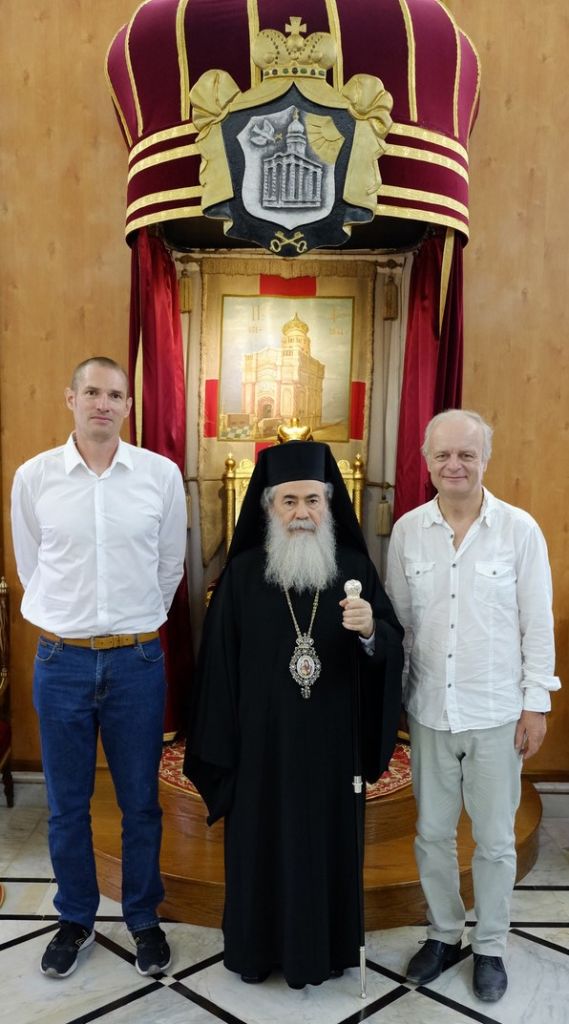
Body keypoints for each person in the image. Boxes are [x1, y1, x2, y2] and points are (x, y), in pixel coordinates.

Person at [184, 440, 403, 989]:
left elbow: (391, 645)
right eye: (289, 502)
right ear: (267, 507)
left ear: (329, 505)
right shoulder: (240, 579)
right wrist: (224, 747)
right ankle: (256, 952)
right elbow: (217, 672)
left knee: (326, 849)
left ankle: (325, 953)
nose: (302, 512)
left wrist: (372, 630)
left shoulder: (353, 569)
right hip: (262, 750)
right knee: (260, 845)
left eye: (312, 500)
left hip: (332, 749)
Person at [11, 357, 187, 979]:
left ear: (128, 407)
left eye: (116, 394)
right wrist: (76, 622)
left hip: (138, 661)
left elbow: (171, 565)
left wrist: (132, 622)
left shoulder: (160, 476)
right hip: (61, 660)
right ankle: (76, 918)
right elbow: (32, 567)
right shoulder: (34, 478)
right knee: (66, 804)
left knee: (141, 801)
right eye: (92, 392)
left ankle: (142, 917)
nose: (103, 404)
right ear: (71, 399)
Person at [386, 409, 560, 1003]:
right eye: (443, 455)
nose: (454, 465)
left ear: (486, 459)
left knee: (494, 839)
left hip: (495, 713)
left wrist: (535, 704)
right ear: (426, 459)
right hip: (430, 710)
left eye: (467, 455)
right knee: (432, 833)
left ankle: (489, 944)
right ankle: (442, 933)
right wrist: (394, 704)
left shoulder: (519, 530)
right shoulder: (408, 530)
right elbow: (400, 625)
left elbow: (538, 624)